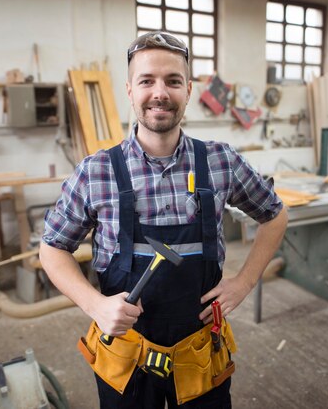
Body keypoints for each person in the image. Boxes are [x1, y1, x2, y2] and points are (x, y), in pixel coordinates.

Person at [40, 31, 288, 408]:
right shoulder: (96, 171)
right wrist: (95, 305)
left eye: (173, 81)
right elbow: (52, 248)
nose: (160, 92)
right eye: (147, 81)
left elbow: (275, 214)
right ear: (129, 90)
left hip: (200, 355)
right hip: (125, 357)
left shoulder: (221, 162)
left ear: (188, 89)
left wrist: (244, 281)